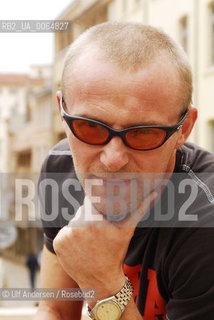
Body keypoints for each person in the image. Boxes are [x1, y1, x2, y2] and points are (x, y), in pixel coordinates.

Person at [35, 22, 214, 320]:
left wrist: (104, 286)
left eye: (143, 133)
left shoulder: (205, 222)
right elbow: (54, 309)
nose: (113, 159)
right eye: (89, 127)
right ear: (62, 112)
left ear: (184, 129)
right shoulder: (61, 171)